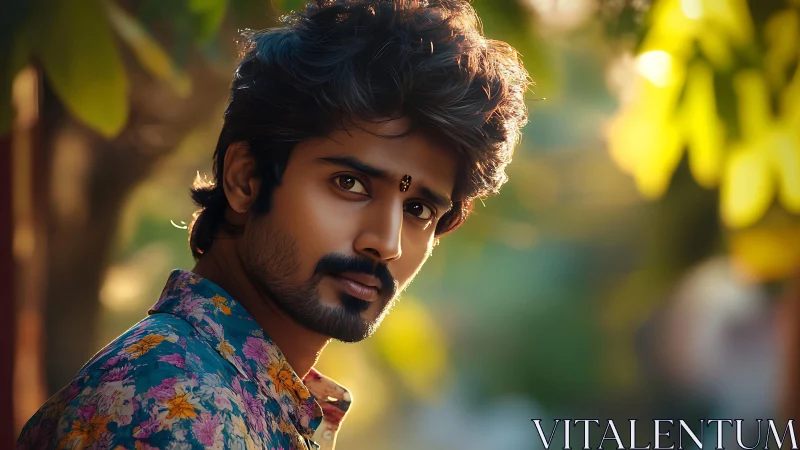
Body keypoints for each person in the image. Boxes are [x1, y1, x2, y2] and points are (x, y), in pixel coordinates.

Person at [17, 0, 531, 448]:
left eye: (418, 210)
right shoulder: (173, 409)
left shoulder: (238, 396)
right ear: (246, 178)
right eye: (350, 184)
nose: (386, 243)